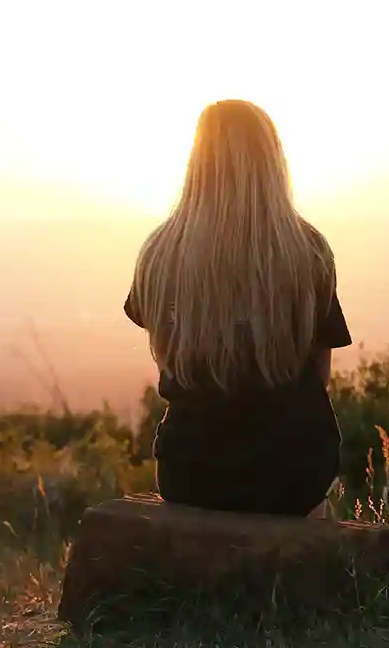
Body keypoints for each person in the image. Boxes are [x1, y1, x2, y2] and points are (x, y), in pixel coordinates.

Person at [123, 99, 352, 518]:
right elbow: (320, 378)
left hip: (190, 473)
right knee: (316, 518)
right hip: (294, 472)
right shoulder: (309, 253)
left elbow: (167, 356)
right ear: (272, 163)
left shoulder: (159, 254)